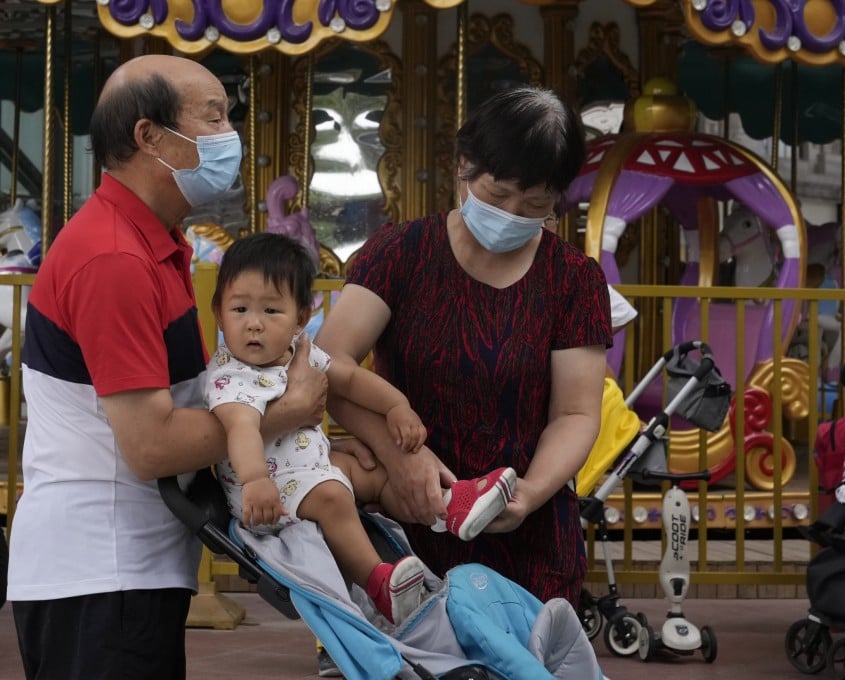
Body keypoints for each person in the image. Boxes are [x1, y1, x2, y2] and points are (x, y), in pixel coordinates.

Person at [5, 55, 329, 680]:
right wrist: (285, 410)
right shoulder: (113, 258)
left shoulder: (154, 240)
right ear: (149, 136)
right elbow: (151, 445)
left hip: (129, 571)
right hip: (101, 572)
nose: (228, 134)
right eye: (212, 117)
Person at [316, 86, 612, 609]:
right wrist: (400, 460)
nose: (514, 213)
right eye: (498, 194)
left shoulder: (574, 281)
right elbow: (328, 368)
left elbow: (574, 412)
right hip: (408, 527)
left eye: (536, 204)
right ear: (465, 168)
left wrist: (528, 494)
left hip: (529, 543)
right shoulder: (400, 252)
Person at [206, 232, 517, 625]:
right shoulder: (230, 377)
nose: (253, 324)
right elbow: (242, 430)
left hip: (307, 467)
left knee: (375, 474)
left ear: (301, 318)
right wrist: (254, 481)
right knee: (334, 495)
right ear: (218, 312)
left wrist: (395, 406)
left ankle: (447, 505)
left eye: (271, 311)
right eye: (239, 310)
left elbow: (349, 379)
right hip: (264, 491)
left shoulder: (300, 351)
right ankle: (378, 583)